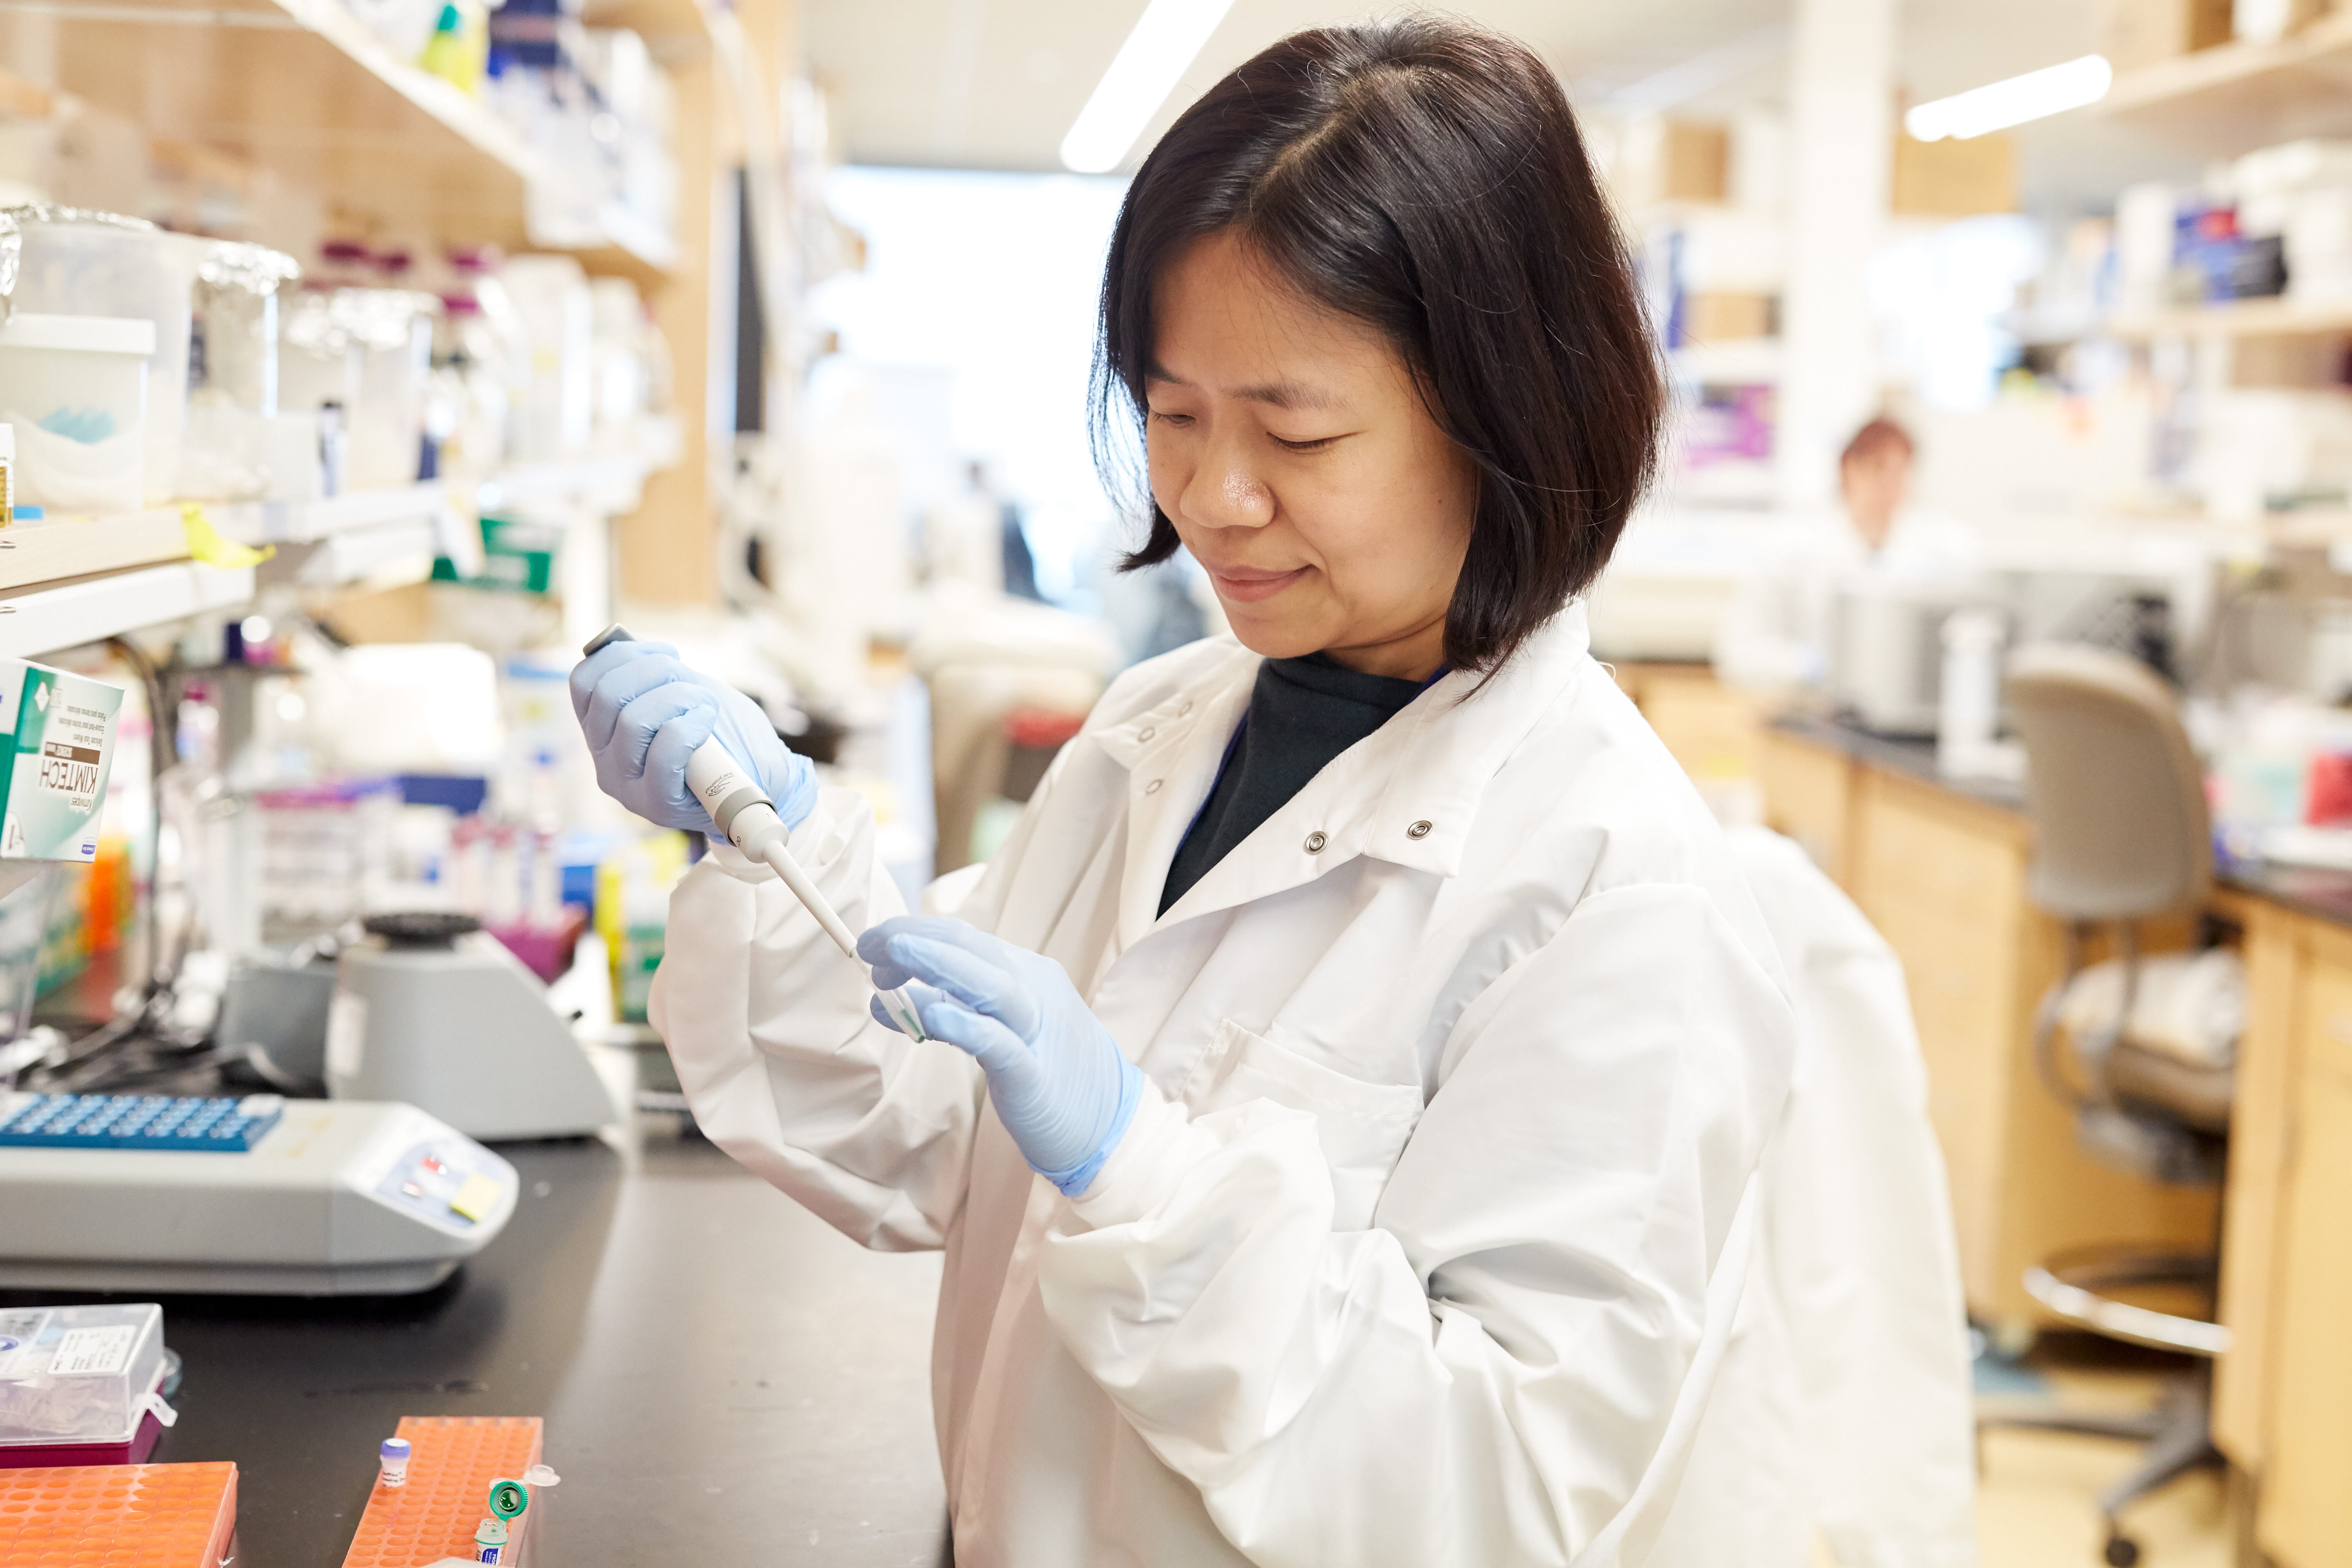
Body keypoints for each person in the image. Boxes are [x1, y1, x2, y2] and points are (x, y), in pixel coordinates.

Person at [573, 19, 1796, 1566]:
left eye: (1295, 430)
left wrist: (1141, 1175)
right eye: (1171, 414)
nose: (1214, 497)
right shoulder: (1159, 730)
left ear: (1504, 415)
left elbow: (1500, 1491)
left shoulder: (1616, 894)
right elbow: (924, 1135)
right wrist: (767, 845)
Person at [1713, 416, 1979, 694]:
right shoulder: (1792, 551)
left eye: (1900, 472)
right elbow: (1741, 653)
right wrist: (1813, 667)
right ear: (1848, 469)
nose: (1890, 485)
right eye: (1878, 469)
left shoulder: (1944, 548)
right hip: (1812, 711)